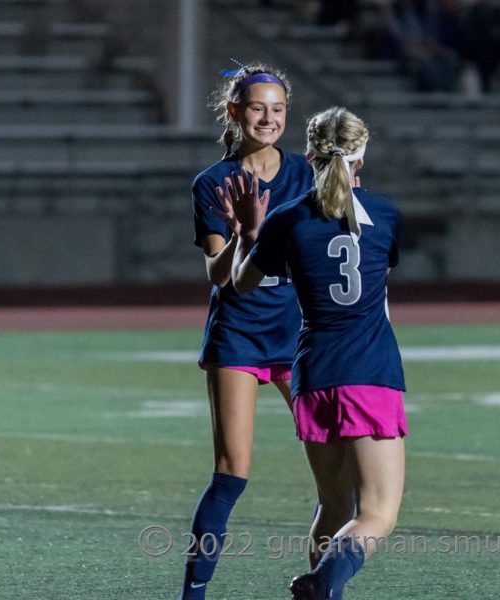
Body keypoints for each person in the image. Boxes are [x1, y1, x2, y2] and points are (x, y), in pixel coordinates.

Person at [228, 106, 407, 600]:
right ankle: (322, 583)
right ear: (361, 160)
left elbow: (241, 285)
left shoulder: (286, 218)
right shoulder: (387, 214)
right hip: (369, 371)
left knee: (332, 504)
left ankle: (323, 589)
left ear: (308, 155)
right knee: (376, 513)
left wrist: (249, 233)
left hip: (312, 374)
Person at [180, 63, 315, 600]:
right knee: (232, 471)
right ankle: (193, 594)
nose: (268, 118)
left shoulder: (307, 174)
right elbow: (218, 275)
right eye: (257, 107)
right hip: (238, 332)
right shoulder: (213, 183)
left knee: (337, 472)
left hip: (299, 334)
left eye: (278, 109)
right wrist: (249, 236)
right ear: (234, 112)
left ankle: (323, 585)